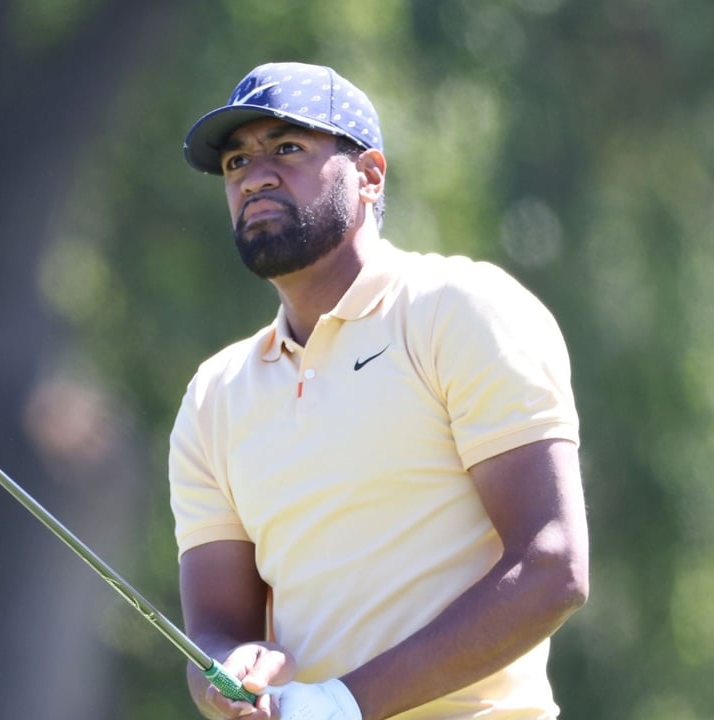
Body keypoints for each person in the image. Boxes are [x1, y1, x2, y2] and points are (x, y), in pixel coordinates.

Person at [169, 62, 589, 720]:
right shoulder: (214, 395)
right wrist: (230, 671)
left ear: (368, 176)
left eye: (286, 148)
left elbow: (551, 566)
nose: (255, 175)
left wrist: (343, 704)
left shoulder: (459, 311)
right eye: (235, 163)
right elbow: (216, 631)